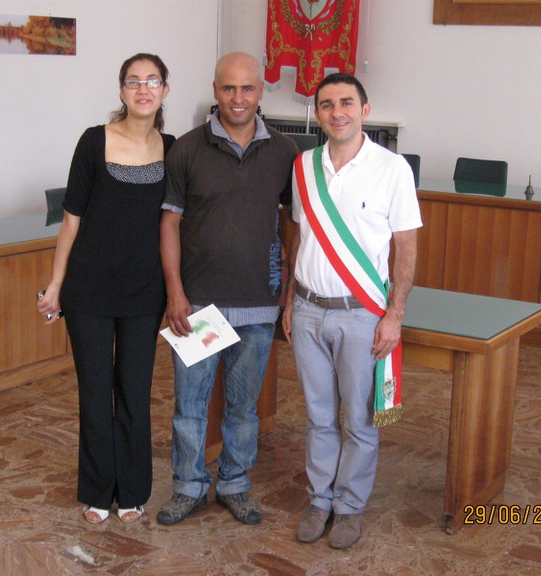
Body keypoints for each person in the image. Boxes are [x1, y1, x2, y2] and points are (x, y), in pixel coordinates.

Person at [156, 52, 298, 526]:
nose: (238, 98)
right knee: (189, 407)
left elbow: (292, 222)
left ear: (260, 91)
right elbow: (169, 224)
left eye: (248, 88)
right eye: (229, 88)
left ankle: (235, 484)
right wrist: (175, 293)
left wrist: (287, 283)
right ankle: (189, 487)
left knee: (243, 409)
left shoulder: (283, 151)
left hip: (258, 303)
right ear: (215, 90)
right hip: (198, 305)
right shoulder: (187, 150)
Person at [282, 73, 422, 549]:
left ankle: (349, 507)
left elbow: (406, 247)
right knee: (319, 417)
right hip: (307, 310)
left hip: (362, 315)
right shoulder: (303, 166)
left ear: (364, 109)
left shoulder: (392, 169)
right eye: (326, 104)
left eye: (346, 102)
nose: (336, 112)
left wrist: (394, 315)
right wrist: (289, 300)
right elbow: (298, 235)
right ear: (317, 113)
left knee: (360, 422)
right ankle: (320, 499)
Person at [37, 53, 174, 525]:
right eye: (134, 81)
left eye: (152, 81)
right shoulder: (94, 142)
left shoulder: (173, 148)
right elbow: (70, 221)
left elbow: (176, 226)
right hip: (89, 291)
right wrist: (55, 285)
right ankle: (98, 492)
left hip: (144, 294)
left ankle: (132, 490)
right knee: (95, 394)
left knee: (134, 393)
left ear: (164, 91)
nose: (143, 89)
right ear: (121, 90)